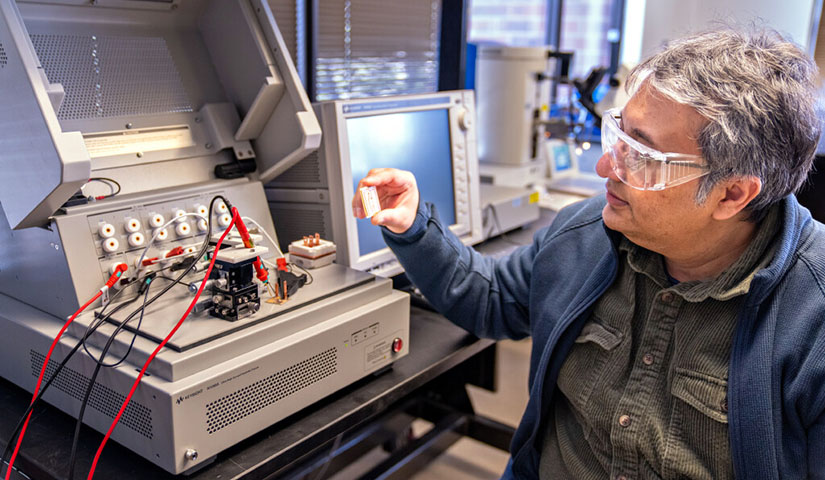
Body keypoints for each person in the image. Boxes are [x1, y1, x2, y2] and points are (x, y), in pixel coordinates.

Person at [353, 27, 825, 479]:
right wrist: (415, 226)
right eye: (619, 137)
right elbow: (494, 299)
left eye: (643, 156)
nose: (606, 167)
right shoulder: (586, 233)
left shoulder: (813, 318)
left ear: (732, 195)